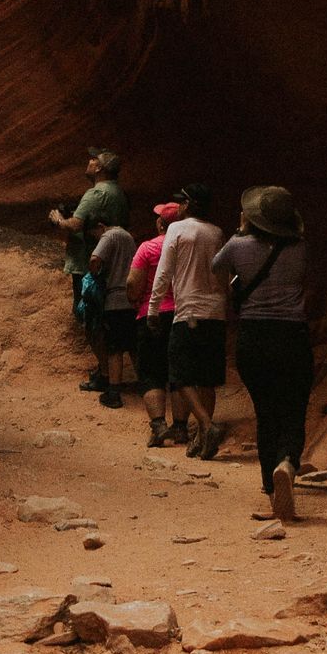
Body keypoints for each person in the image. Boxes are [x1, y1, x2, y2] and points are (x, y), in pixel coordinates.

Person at [214, 186, 312, 521]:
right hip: (292, 336)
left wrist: (241, 233)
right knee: (294, 408)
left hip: (253, 337)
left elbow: (216, 267)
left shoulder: (238, 245)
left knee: (266, 412)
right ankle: (287, 461)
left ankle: (273, 494)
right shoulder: (300, 248)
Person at [155, 181, 228, 457]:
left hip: (188, 312)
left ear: (188, 205)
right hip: (215, 312)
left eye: (182, 202)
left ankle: (207, 426)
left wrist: (152, 310)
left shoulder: (176, 228)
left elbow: (164, 273)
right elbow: (221, 273)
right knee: (207, 378)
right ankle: (202, 437)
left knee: (180, 375)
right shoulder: (217, 232)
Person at [50, 149, 130, 335]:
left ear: (99, 168)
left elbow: (76, 225)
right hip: (112, 262)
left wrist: (59, 220)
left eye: (93, 159)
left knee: (89, 317)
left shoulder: (96, 193)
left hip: (90, 262)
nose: (89, 161)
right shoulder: (119, 192)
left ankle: (102, 361)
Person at [130, 200, 187, 448]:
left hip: (151, 314)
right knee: (178, 373)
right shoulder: (188, 248)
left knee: (152, 373)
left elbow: (134, 283)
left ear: (160, 223)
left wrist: (135, 300)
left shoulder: (148, 248)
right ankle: (181, 428)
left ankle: (158, 426)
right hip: (182, 314)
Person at [88, 218, 138, 408]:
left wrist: (95, 274)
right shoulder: (128, 237)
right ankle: (145, 385)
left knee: (114, 349)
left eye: (95, 234)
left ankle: (114, 393)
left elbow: (95, 259)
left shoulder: (109, 235)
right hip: (131, 299)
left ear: (100, 226)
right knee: (134, 347)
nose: (97, 238)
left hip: (115, 300)